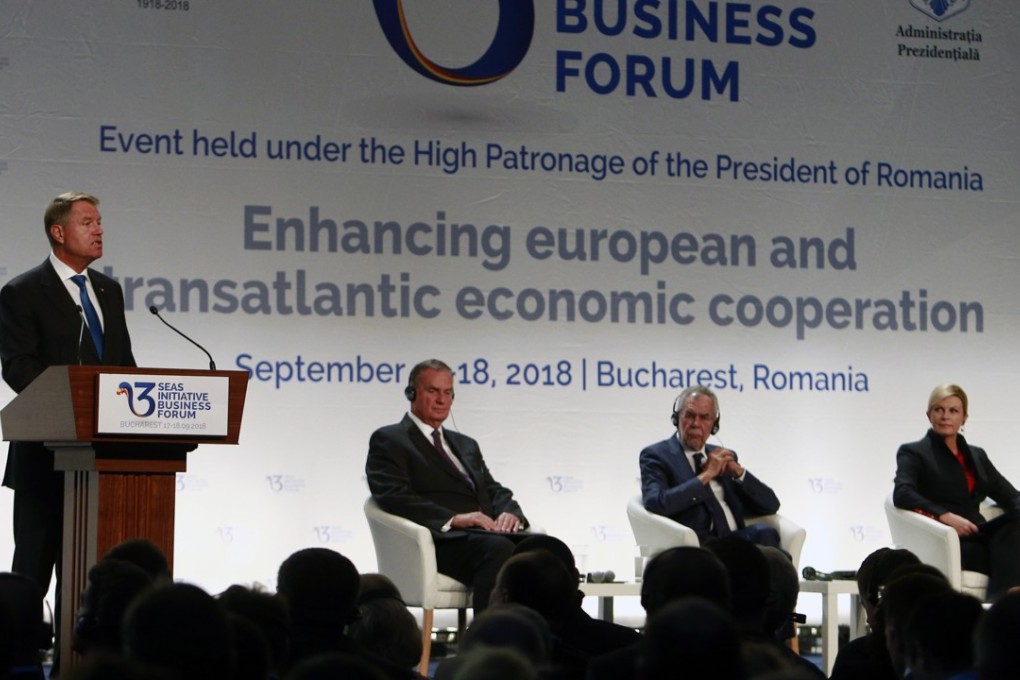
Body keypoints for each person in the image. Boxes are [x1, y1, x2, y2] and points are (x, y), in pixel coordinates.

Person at [0, 192, 136, 653]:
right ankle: (15, 662)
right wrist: (72, 402)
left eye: (99, 221)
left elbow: (124, 366)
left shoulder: (108, 291)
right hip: (45, 456)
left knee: (88, 579)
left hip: (103, 460)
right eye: (87, 222)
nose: (99, 229)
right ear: (58, 233)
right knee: (32, 575)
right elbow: (18, 367)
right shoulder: (22, 292)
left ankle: (75, 665)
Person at [366, 359, 529, 611]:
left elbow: (492, 488)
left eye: (448, 392)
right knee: (499, 549)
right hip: (440, 542)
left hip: (485, 534)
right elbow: (393, 495)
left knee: (546, 548)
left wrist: (510, 513)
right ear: (411, 393)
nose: (442, 400)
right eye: (433, 391)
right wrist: (454, 518)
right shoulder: (390, 439)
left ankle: (540, 633)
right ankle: (488, 633)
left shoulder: (465, 444)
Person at [893, 383, 1020, 600]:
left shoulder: (977, 455)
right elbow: (902, 492)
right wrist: (946, 516)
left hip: (979, 530)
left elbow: (1009, 495)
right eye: (939, 410)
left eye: (953, 411)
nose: (945, 416)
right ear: (929, 415)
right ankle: (1004, 604)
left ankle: (1006, 600)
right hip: (948, 536)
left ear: (964, 418)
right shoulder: (914, 452)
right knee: (1004, 549)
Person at [640, 385, 782, 547]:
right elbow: (656, 503)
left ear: (714, 424)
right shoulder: (656, 455)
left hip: (736, 542)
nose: (696, 423)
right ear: (677, 418)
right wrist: (706, 475)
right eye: (689, 415)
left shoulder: (723, 456)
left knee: (767, 535)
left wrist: (739, 473)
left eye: (704, 417)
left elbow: (771, 506)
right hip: (697, 547)